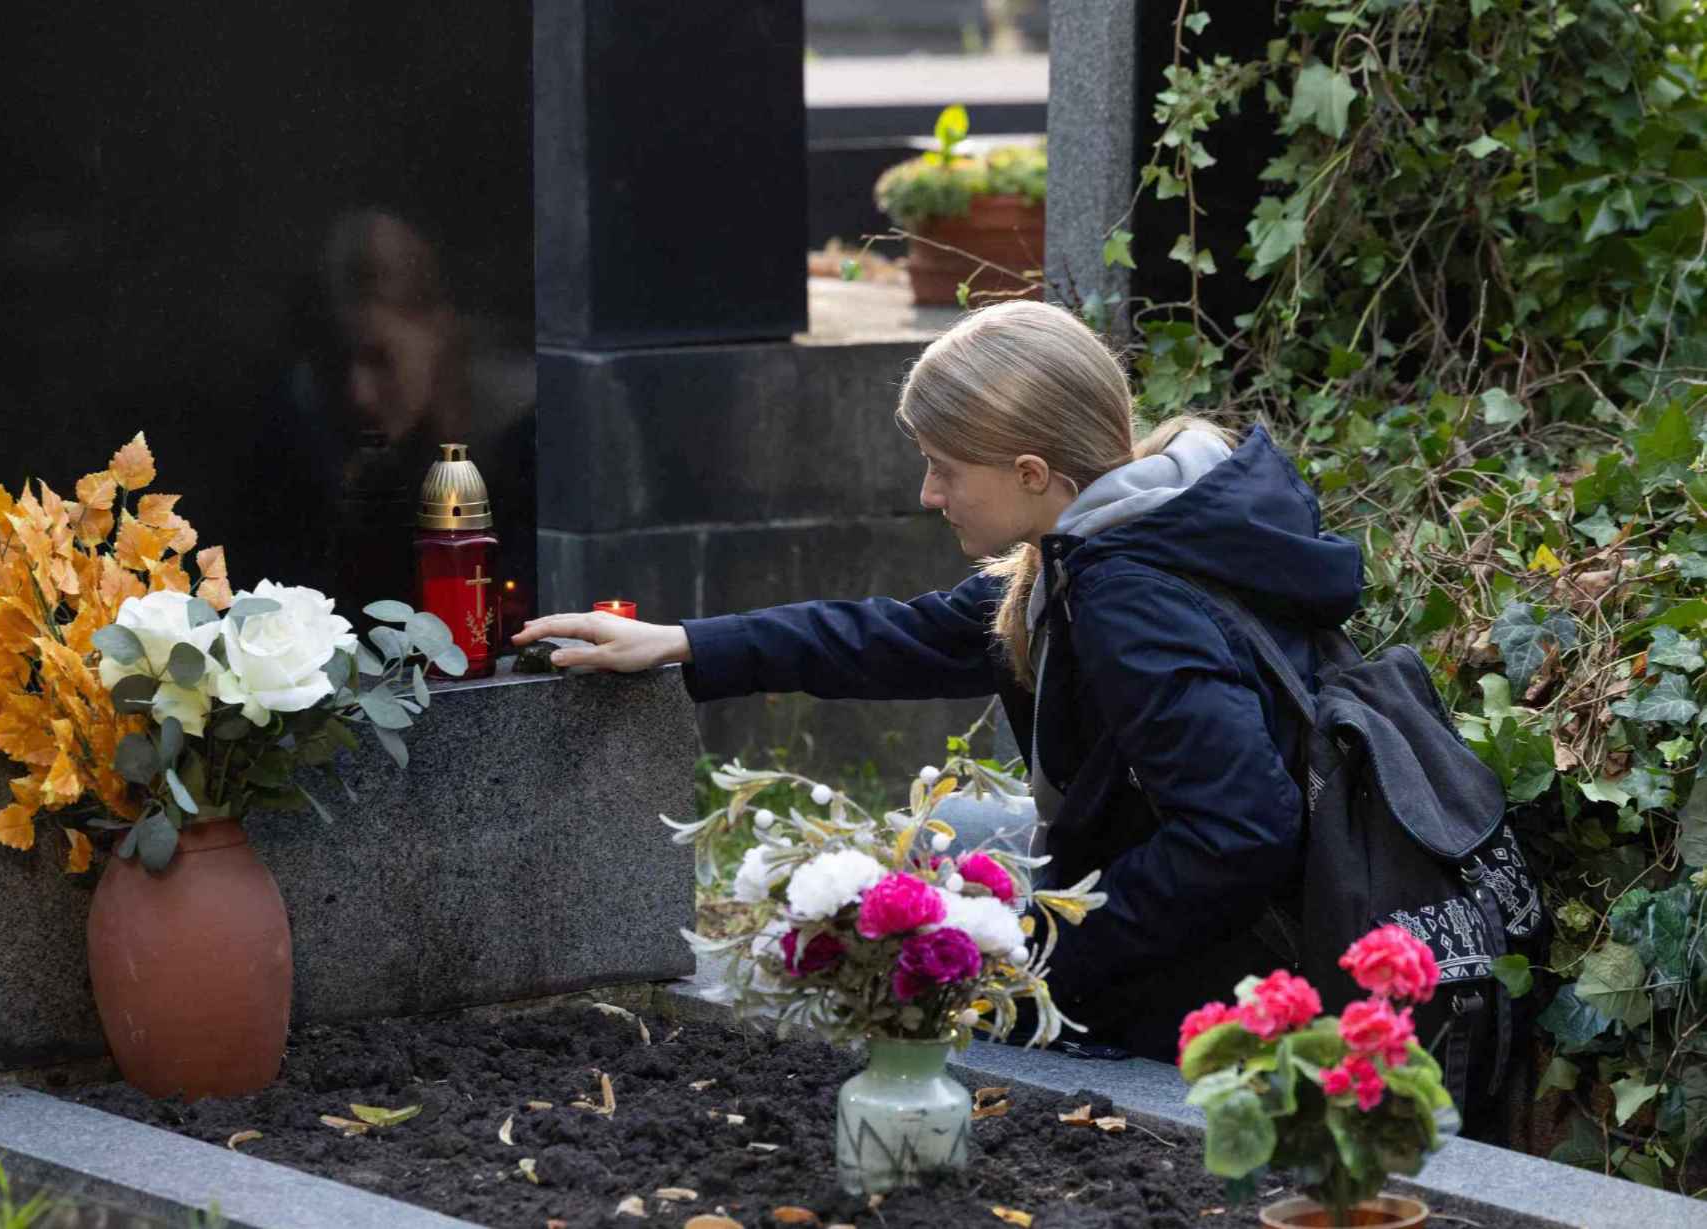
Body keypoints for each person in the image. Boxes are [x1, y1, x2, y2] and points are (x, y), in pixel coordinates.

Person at [513, 300, 1362, 1061]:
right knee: (944, 843)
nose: (928, 493)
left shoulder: (1129, 596)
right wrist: (683, 644)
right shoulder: (1118, 534)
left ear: (1029, 472)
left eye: (944, 467)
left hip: (1235, 973)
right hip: (1198, 910)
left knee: (928, 909)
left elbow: (1243, 831)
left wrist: (1027, 959)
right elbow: (899, 637)